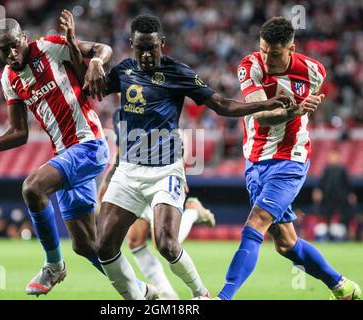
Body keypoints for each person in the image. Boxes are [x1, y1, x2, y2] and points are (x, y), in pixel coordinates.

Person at [95, 14, 296, 300]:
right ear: (131, 45)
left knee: (165, 243)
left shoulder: (178, 72)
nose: (146, 54)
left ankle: (200, 294)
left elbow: (221, 105)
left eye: (152, 47)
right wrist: (92, 62)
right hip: (128, 170)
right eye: (140, 48)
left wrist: (265, 104)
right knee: (104, 246)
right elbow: (92, 87)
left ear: (162, 43)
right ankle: (141, 300)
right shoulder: (123, 70)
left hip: (165, 170)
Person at [0, 10, 112, 296]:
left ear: (24, 38)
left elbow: (101, 48)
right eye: (3, 49)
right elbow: (19, 132)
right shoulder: (9, 79)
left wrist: (96, 60)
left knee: (32, 188)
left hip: (90, 144)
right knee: (86, 245)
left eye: (14, 44)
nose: (11, 53)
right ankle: (143, 294)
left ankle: (53, 265)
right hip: (66, 155)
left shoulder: (48, 46)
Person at [215, 17, 361, 300]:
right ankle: (342, 286)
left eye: (276, 53)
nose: (268, 58)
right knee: (286, 244)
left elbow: (309, 105)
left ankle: (223, 297)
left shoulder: (314, 72)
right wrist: (296, 110)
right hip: (255, 158)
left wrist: (303, 110)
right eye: (264, 49)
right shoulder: (250, 66)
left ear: (292, 47)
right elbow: (259, 114)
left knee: (256, 222)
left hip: (289, 159)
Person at [97, 109, 216, 299]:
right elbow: (120, 152)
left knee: (165, 242)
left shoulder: (152, 96)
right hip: (133, 178)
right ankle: (166, 294)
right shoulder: (119, 113)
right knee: (135, 241)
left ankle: (192, 212)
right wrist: (106, 182)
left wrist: (179, 169)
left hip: (160, 176)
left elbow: (178, 135)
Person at [312, 149, 357, 240]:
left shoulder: (342, 169)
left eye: (334, 156)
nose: (332, 158)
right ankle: (328, 236)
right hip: (328, 198)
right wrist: (317, 191)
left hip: (341, 199)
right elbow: (321, 183)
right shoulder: (326, 169)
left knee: (343, 218)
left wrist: (351, 194)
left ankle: (345, 237)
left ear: (338, 157)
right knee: (327, 217)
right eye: (330, 156)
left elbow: (347, 184)